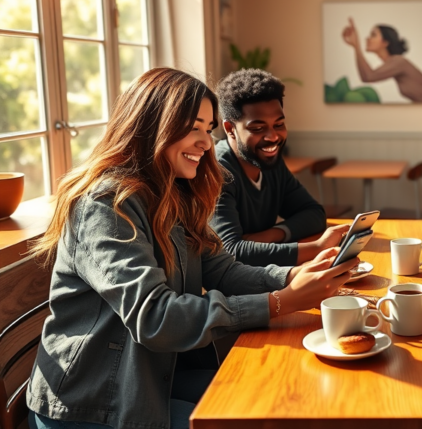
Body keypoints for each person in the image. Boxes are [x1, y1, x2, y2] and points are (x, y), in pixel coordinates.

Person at [26, 68, 358, 429]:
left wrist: (294, 276)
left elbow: (222, 270)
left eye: (208, 128)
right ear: (152, 125)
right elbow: (155, 317)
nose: (205, 142)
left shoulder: (174, 191)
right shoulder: (106, 204)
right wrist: (280, 301)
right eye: (193, 127)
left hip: (155, 372)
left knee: (281, 399)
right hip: (96, 401)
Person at [213, 68, 346, 268]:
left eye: (279, 124)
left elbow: (314, 214)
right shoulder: (217, 173)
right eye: (257, 128)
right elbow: (231, 252)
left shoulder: (269, 161)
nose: (273, 137)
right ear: (230, 129)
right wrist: (318, 248)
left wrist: (267, 236)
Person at [341, 18, 422, 102]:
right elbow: (366, 77)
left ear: (385, 43)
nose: (367, 38)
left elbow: (369, 76)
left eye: (373, 35)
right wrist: (355, 47)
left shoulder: (398, 61)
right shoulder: (394, 63)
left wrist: (357, 46)